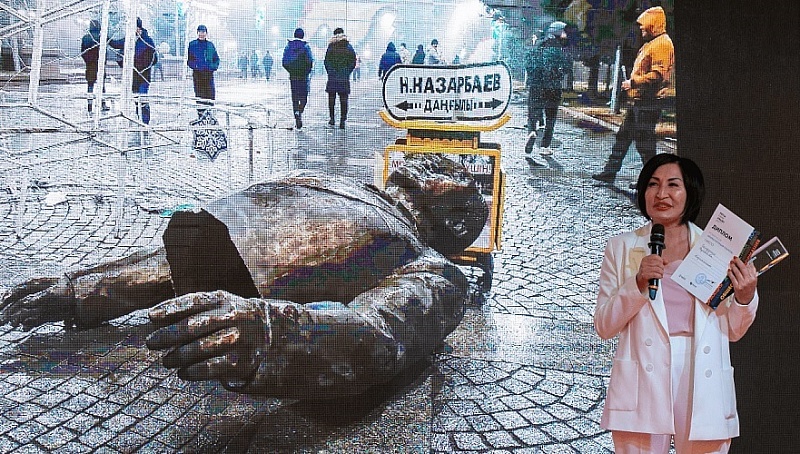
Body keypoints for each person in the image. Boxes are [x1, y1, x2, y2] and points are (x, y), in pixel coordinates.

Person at [0, 154, 488, 400]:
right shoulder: (333, 180)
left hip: (260, 326)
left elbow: (382, 334)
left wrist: (271, 334)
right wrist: (83, 289)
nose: (446, 165)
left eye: (459, 177)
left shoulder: (436, 269)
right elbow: (216, 246)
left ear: (458, 220)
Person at [594, 154, 759, 453]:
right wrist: (637, 284)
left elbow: (733, 331)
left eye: (673, 185)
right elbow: (604, 325)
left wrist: (745, 298)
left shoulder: (716, 249)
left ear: (690, 192)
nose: (661, 194)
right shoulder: (621, 247)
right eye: (653, 185)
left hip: (702, 374)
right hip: (642, 379)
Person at [592, 6, 674, 185]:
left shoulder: (662, 44)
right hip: (639, 101)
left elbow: (658, 75)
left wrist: (633, 83)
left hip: (649, 102)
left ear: (653, 24)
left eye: (644, 26)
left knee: (644, 144)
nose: (641, 29)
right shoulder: (651, 43)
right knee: (623, 137)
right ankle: (609, 172)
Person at [523, 21, 570, 157]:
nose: (565, 35)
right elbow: (566, 67)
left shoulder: (538, 46)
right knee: (550, 118)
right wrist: (558, 75)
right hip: (553, 88)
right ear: (557, 32)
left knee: (532, 114)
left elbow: (528, 63)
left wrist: (533, 78)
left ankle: (532, 132)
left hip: (536, 86)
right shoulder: (561, 50)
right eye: (563, 32)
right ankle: (545, 146)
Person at [109, 17, 158, 125]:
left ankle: (145, 122)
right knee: (136, 99)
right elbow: (115, 44)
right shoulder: (129, 39)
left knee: (142, 98)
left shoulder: (147, 40)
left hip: (144, 76)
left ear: (138, 27)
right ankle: (139, 119)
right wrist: (107, 37)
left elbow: (154, 59)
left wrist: (142, 67)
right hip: (133, 76)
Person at [323, 27, 357, 129]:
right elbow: (353, 61)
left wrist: (330, 71)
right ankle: (342, 120)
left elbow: (326, 61)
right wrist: (347, 72)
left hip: (333, 77)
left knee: (331, 99)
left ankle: (332, 119)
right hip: (343, 77)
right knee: (344, 100)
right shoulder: (348, 46)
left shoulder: (331, 46)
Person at [282, 28, 314, 129]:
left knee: (295, 97)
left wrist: (291, 71)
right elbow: (310, 61)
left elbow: (284, 62)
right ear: (302, 35)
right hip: (303, 77)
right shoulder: (306, 47)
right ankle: (300, 111)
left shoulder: (288, 46)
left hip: (293, 77)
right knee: (304, 97)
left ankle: (296, 114)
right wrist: (306, 72)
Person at [187, 25, 221, 115]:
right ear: (197, 33)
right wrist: (196, 66)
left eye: (203, 32)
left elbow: (216, 59)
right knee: (200, 96)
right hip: (198, 75)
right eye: (200, 32)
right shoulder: (192, 45)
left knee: (210, 95)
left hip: (208, 75)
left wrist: (212, 67)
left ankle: (210, 115)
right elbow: (189, 60)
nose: (202, 34)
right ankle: (201, 115)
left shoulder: (210, 45)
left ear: (206, 33)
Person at [79, 19, 109, 113]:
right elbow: (105, 52)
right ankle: (103, 104)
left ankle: (89, 106)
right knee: (102, 86)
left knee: (90, 86)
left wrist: (87, 61)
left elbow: (82, 52)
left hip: (90, 66)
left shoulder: (85, 38)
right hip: (100, 65)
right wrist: (103, 62)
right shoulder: (101, 37)